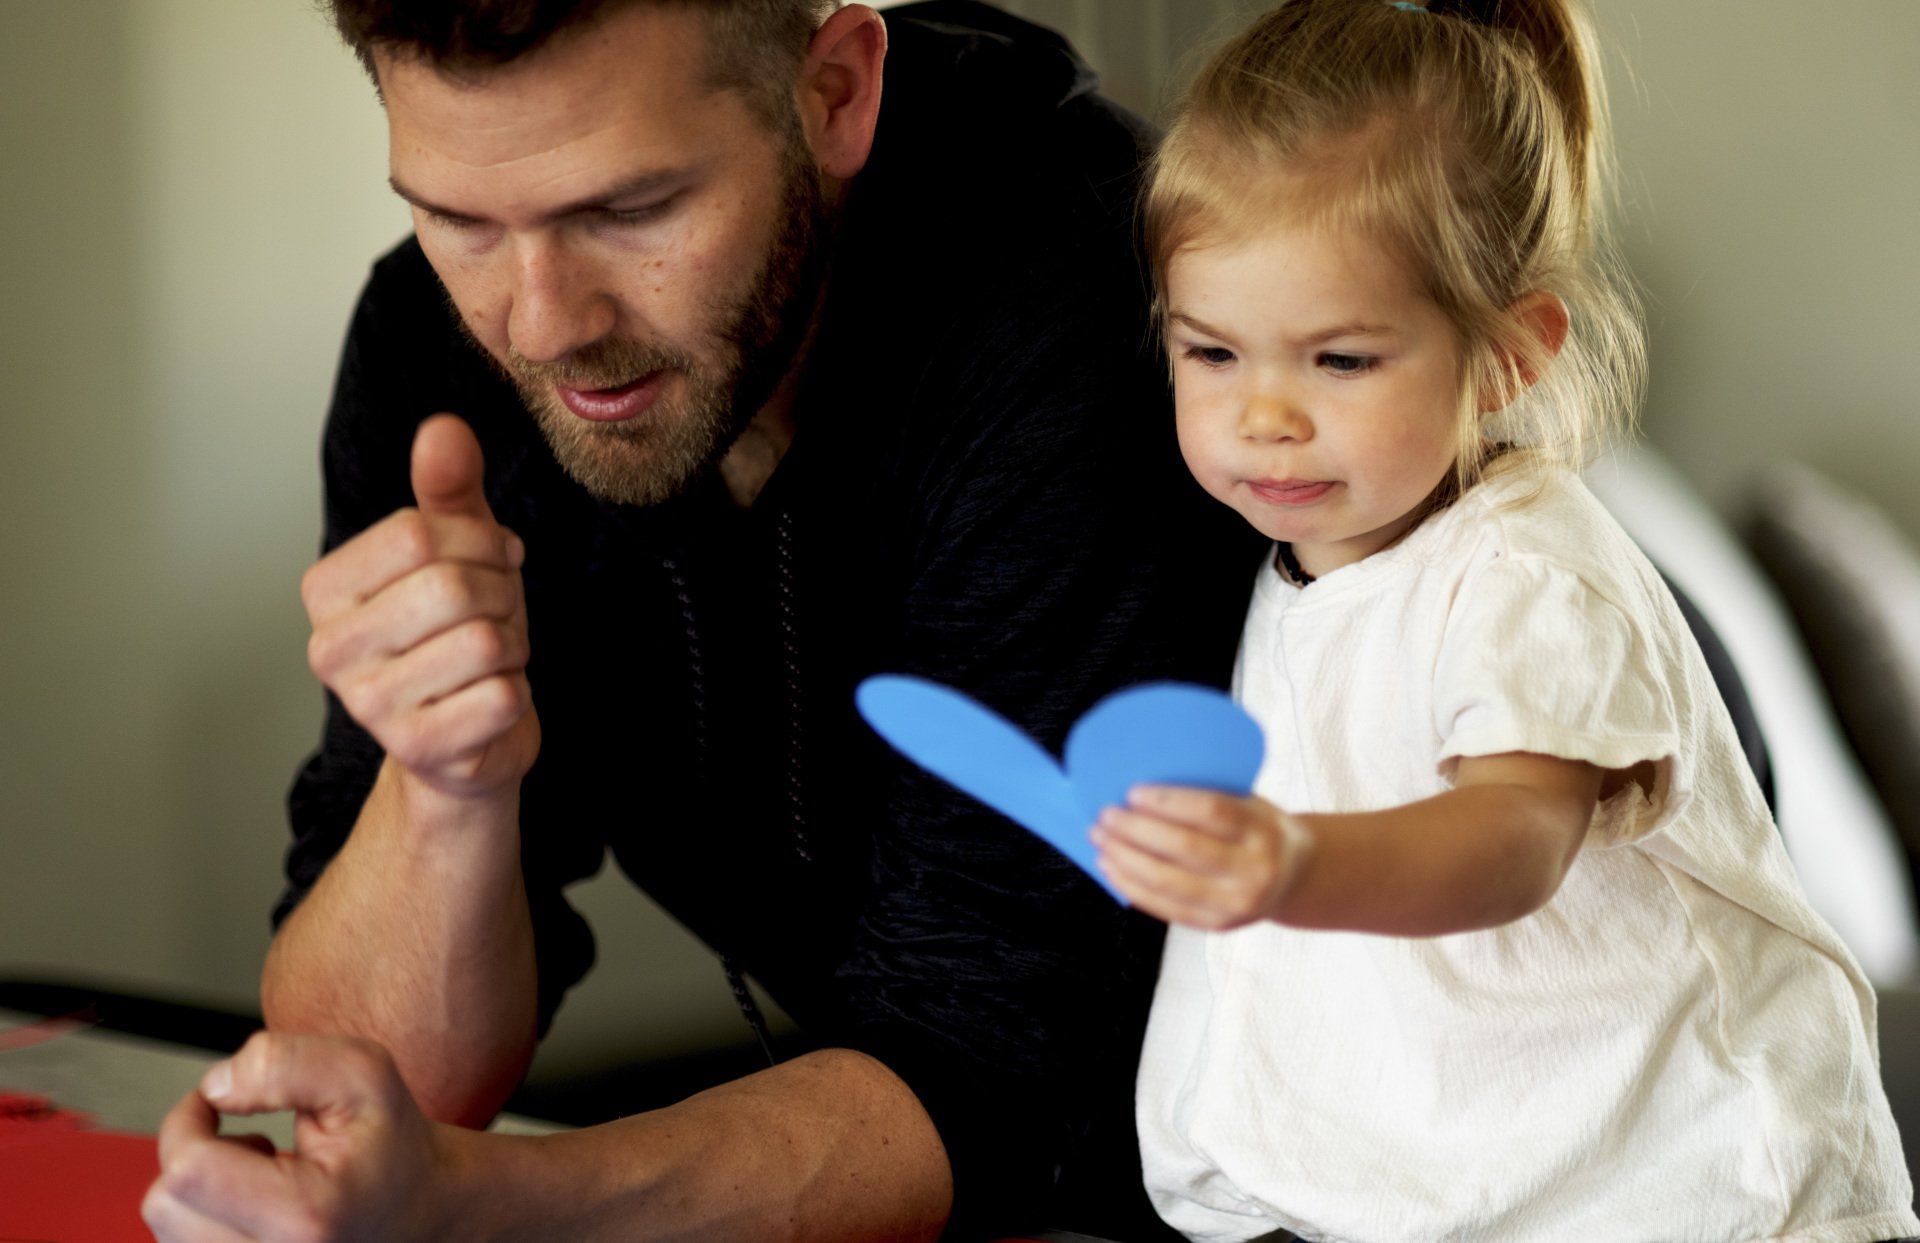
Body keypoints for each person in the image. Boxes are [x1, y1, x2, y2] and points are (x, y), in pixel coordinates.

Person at [141, 2, 1260, 1240]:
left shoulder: (1088, 304)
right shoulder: (434, 352)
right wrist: (444, 785)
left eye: (631, 209)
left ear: (834, 95)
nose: (542, 325)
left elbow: (994, 1080)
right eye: (459, 219)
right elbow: (365, 1091)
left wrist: (477, 1207)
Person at [1090, 0, 1920, 1239]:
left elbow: (1513, 834)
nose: (1264, 416)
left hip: (1703, 1201)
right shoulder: (1310, 568)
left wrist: (1294, 861)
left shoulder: (1527, 573)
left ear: (1511, 356)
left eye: (1340, 360)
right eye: (1212, 353)